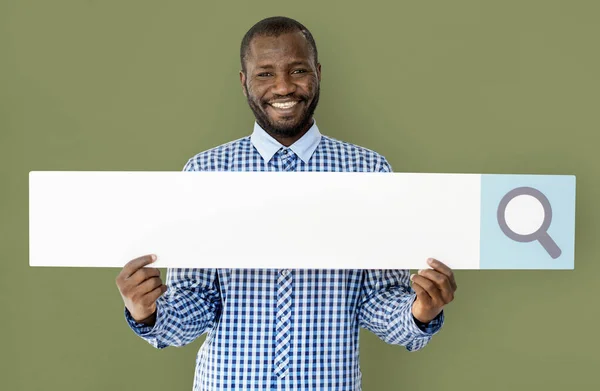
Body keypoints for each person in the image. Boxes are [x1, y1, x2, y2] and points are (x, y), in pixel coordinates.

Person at [116, 16, 457, 391]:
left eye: (297, 70)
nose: (283, 86)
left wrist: (420, 312)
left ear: (318, 73)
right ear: (244, 81)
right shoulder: (204, 172)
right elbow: (195, 303)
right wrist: (145, 312)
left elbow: (377, 302)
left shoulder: (369, 171)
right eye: (265, 74)